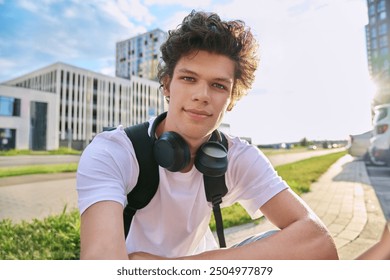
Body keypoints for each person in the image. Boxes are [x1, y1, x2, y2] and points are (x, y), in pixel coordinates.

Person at [76, 10, 338, 260]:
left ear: (231, 98)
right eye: (189, 79)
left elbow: (319, 243)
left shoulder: (239, 156)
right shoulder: (113, 151)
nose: (202, 95)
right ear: (167, 85)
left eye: (218, 85)